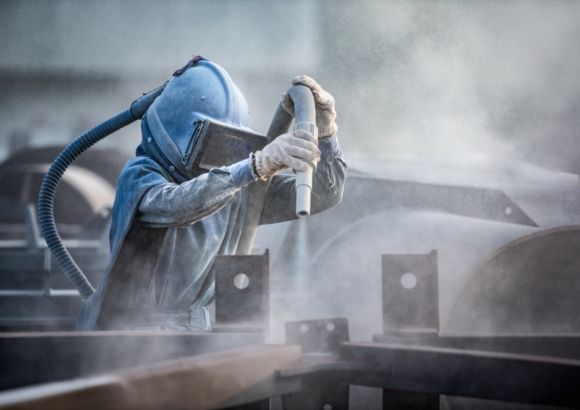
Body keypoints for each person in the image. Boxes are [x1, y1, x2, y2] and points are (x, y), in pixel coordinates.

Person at [77, 57, 347, 331]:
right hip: (127, 336)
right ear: (179, 134)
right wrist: (254, 166)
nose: (219, 157)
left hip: (198, 332)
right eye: (212, 142)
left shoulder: (237, 185)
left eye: (229, 143)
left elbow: (324, 193)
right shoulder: (141, 175)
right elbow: (178, 205)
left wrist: (326, 135)